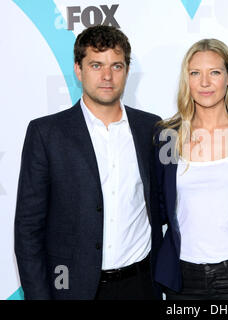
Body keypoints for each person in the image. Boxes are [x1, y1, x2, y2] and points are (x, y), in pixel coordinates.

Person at [14, 25, 162, 300]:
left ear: (127, 71)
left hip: (141, 285)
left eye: (116, 66)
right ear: (78, 70)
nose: (107, 76)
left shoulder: (151, 128)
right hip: (73, 288)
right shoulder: (47, 133)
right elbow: (28, 230)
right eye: (96, 65)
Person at [153, 39, 228, 300]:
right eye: (195, 73)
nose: (204, 82)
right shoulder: (167, 136)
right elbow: (161, 206)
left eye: (215, 72)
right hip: (184, 279)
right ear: (187, 79)